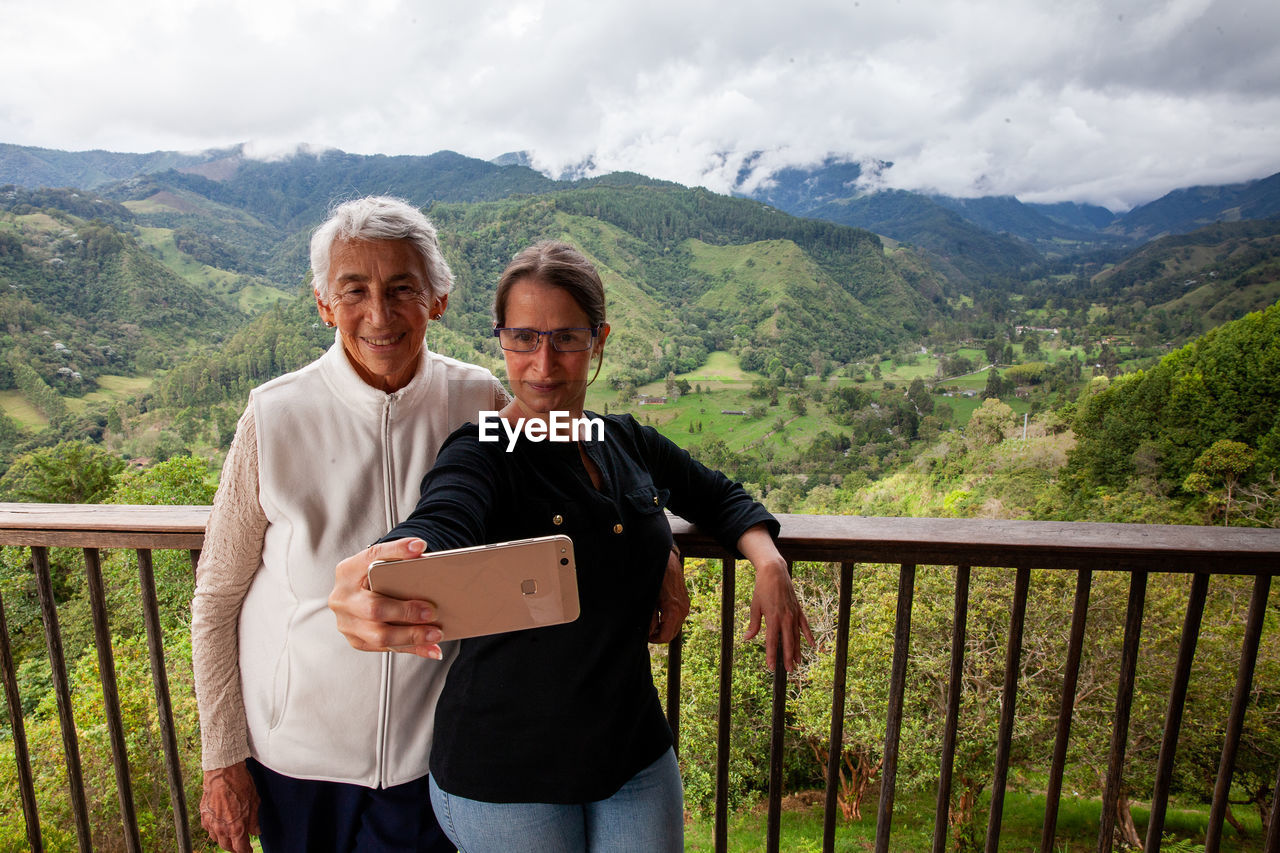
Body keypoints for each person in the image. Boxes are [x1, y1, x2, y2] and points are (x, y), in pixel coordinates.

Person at [328, 240, 813, 852]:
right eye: (523, 339)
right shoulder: (483, 450)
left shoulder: (618, 439)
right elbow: (445, 517)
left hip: (632, 751)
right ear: (501, 339)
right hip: (506, 770)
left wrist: (766, 561)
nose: (543, 364)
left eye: (566, 339)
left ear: (599, 340)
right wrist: (385, 567)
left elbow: (718, 497)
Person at [189, 196, 512, 853]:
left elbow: (579, 464)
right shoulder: (273, 417)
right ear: (323, 304)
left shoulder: (477, 398)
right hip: (295, 765)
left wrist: (655, 535)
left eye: (403, 289)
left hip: (436, 762)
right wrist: (223, 759)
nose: (379, 313)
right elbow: (216, 598)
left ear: (438, 300)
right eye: (354, 289)